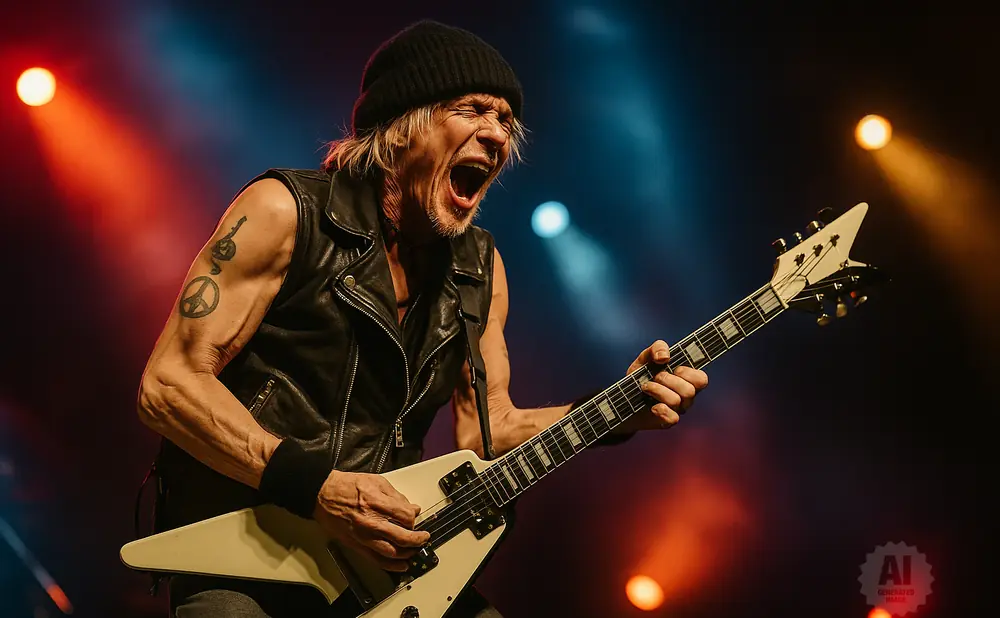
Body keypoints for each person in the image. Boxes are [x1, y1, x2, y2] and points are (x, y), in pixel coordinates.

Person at [135, 19, 708, 618]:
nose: (497, 136)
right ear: (403, 126)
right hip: (246, 549)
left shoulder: (479, 268)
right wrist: (317, 487)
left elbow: (489, 431)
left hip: (374, 564)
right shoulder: (285, 212)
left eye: (507, 122)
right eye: (473, 111)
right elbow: (168, 385)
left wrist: (621, 408)